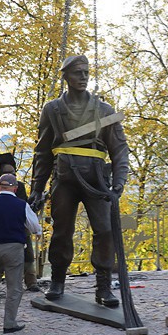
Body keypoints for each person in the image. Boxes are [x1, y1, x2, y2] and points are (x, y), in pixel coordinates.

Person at [28, 54, 129, 307]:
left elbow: (119, 149)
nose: (83, 77)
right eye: (77, 73)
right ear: (66, 76)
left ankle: (103, 287)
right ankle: (58, 281)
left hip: (96, 179)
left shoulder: (104, 110)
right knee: (62, 231)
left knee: (104, 230)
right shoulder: (52, 109)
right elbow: (42, 151)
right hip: (64, 179)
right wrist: (37, 189)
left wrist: (119, 182)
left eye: (86, 72)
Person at [0, 174, 42, 333]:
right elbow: (34, 226)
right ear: (15, 188)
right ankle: (9, 323)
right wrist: (34, 230)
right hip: (14, 247)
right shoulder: (21, 205)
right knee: (14, 286)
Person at [0, 153, 41, 292]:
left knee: (28, 256)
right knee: (1, 260)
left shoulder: (20, 187)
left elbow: (24, 206)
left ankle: (31, 282)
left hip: (21, 228)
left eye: (12, 173)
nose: (11, 175)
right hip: (4, 231)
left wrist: (34, 205)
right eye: (8, 173)